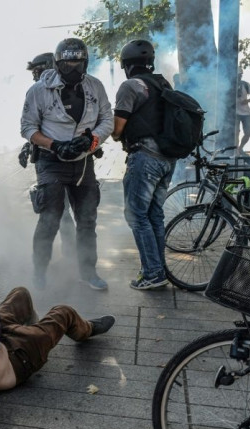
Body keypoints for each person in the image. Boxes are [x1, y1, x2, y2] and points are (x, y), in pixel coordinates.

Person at [20, 37, 113, 291]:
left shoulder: (95, 87)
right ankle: (40, 271)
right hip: (51, 163)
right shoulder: (39, 90)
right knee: (50, 218)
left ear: (86, 62)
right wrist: (54, 144)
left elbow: (107, 119)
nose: (73, 68)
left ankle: (88, 271)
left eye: (78, 62)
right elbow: (27, 127)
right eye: (67, 63)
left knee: (87, 219)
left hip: (83, 163)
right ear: (58, 63)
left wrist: (91, 141)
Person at [111, 39, 176, 290]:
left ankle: (152, 274)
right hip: (167, 160)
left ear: (127, 65)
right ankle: (157, 269)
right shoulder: (162, 84)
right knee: (154, 215)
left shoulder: (130, 86)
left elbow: (117, 130)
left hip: (145, 158)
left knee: (137, 216)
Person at [20, 53, 76, 259]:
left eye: (37, 70)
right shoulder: (38, 91)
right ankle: (69, 255)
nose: (34, 76)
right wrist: (28, 147)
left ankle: (70, 256)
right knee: (57, 210)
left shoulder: (63, 91)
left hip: (61, 161)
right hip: (47, 160)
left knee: (58, 211)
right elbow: (33, 126)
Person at [236, 68, 250, 154]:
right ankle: (236, 149)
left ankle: (240, 148)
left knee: (248, 133)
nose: (240, 77)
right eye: (238, 75)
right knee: (236, 133)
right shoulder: (230, 85)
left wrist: (247, 101)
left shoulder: (246, 84)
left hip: (246, 113)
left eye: (241, 75)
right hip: (235, 113)